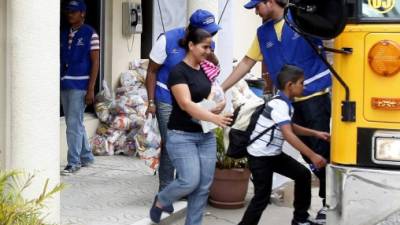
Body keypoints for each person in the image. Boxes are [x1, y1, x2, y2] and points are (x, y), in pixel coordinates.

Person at [221, 0, 332, 223]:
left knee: (321, 150)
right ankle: (308, 212)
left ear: (270, 2)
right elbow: (246, 62)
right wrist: (221, 89)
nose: (255, 11)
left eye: (257, 5)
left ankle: (328, 203)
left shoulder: (303, 18)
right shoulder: (263, 33)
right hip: (289, 102)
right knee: (308, 154)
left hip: (315, 97)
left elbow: (332, 38)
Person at [149, 28, 232, 225]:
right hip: (181, 135)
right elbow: (186, 104)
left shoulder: (204, 69)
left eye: (210, 47)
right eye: (204, 47)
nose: (208, 51)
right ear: (191, 45)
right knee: (189, 181)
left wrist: (216, 106)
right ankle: (162, 199)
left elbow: (206, 99)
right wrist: (214, 118)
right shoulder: (177, 72)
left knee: (203, 186)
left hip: (205, 135)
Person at [239, 65, 329, 225]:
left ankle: (300, 219)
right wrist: (313, 155)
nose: (304, 86)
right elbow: (288, 134)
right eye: (301, 83)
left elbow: (290, 127)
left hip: (272, 155)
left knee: (302, 174)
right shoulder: (279, 104)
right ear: (290, 85)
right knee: (262, 197)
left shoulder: (285, 103)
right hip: (260, 157)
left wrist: (315, 133)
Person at [145, 9, 222, 192]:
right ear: (192, 31)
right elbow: (151, 71)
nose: (210, 36)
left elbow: (212, 68)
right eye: (207, 31)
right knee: (172, 142)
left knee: (191, 141)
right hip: (166, 99)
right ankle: (165, 189)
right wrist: (151, 102)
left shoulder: (207, 44)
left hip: (194, 101)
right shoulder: (167, 40)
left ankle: (184, 187)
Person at [60, 0, 99, 175]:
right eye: (68, 11)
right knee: (76, 122)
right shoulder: (63, 34)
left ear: (82, 13)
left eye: (74, 12)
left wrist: (91, 89)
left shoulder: (90, 33)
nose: (70, 14)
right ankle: (86, 156)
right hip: (64, 83)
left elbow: (95, 62)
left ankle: (73, 162)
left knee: (73, 124)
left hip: (80, 85)